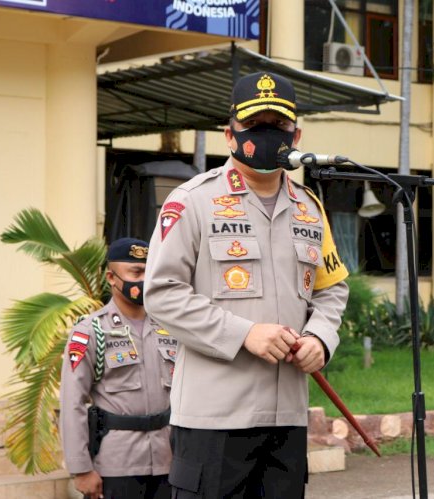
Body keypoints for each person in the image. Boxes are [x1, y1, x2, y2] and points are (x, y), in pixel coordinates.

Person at [143, 72, 350, 498]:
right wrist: (245, 334)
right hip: (214, 418)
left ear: (296, 135)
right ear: (229, 134)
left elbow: (331, 289)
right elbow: (162, 293)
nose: (267, 136)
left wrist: (320, 338)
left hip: (286, 419)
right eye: (255, 126)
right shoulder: (192, 201)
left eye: (277, 127)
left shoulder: (309, 209)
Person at [59, 237, 176, 499]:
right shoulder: (91, 331)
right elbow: (72, 402)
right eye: (136, 272)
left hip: (169, 459)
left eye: (149, 271)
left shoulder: (171, 327)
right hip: (117, 464)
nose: (144, 279)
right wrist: (81, 470)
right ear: (111, 278)